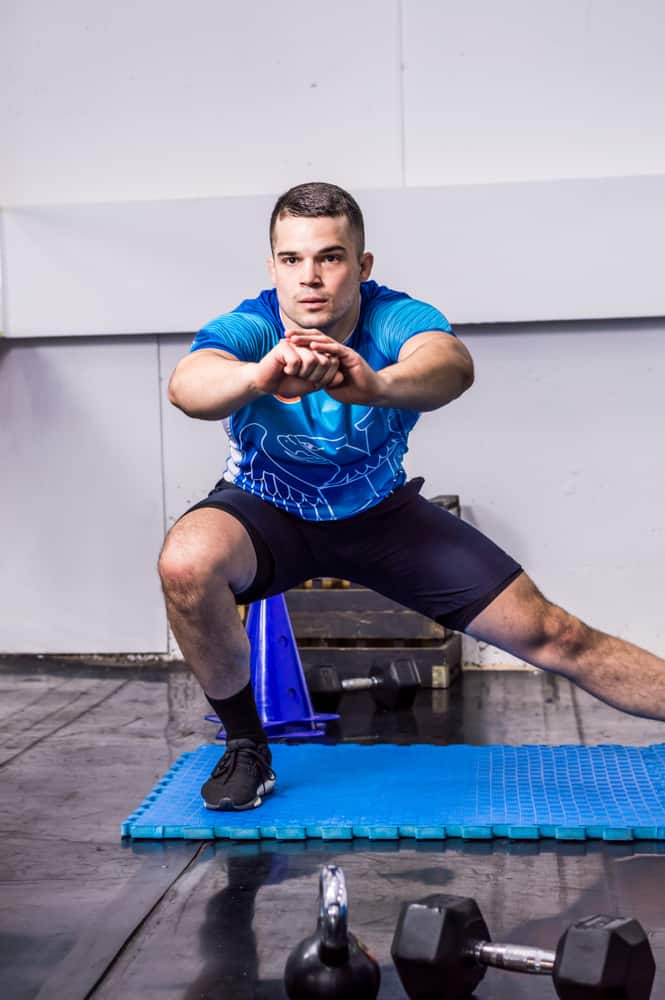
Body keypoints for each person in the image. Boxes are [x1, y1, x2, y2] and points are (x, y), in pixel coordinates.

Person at [160, 181, 665, 811]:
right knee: (186, 561)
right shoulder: (251, 324)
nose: (309, 277)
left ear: (362, 265)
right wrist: (260, 375)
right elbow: (188, 386)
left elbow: (450, 364)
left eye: (330, 257)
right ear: (273, 268)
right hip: (267, 510)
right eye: (292, 259)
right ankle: (245, 746)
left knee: (554, 633)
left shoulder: (392, 316)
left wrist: (375, 384)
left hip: (381, 515)